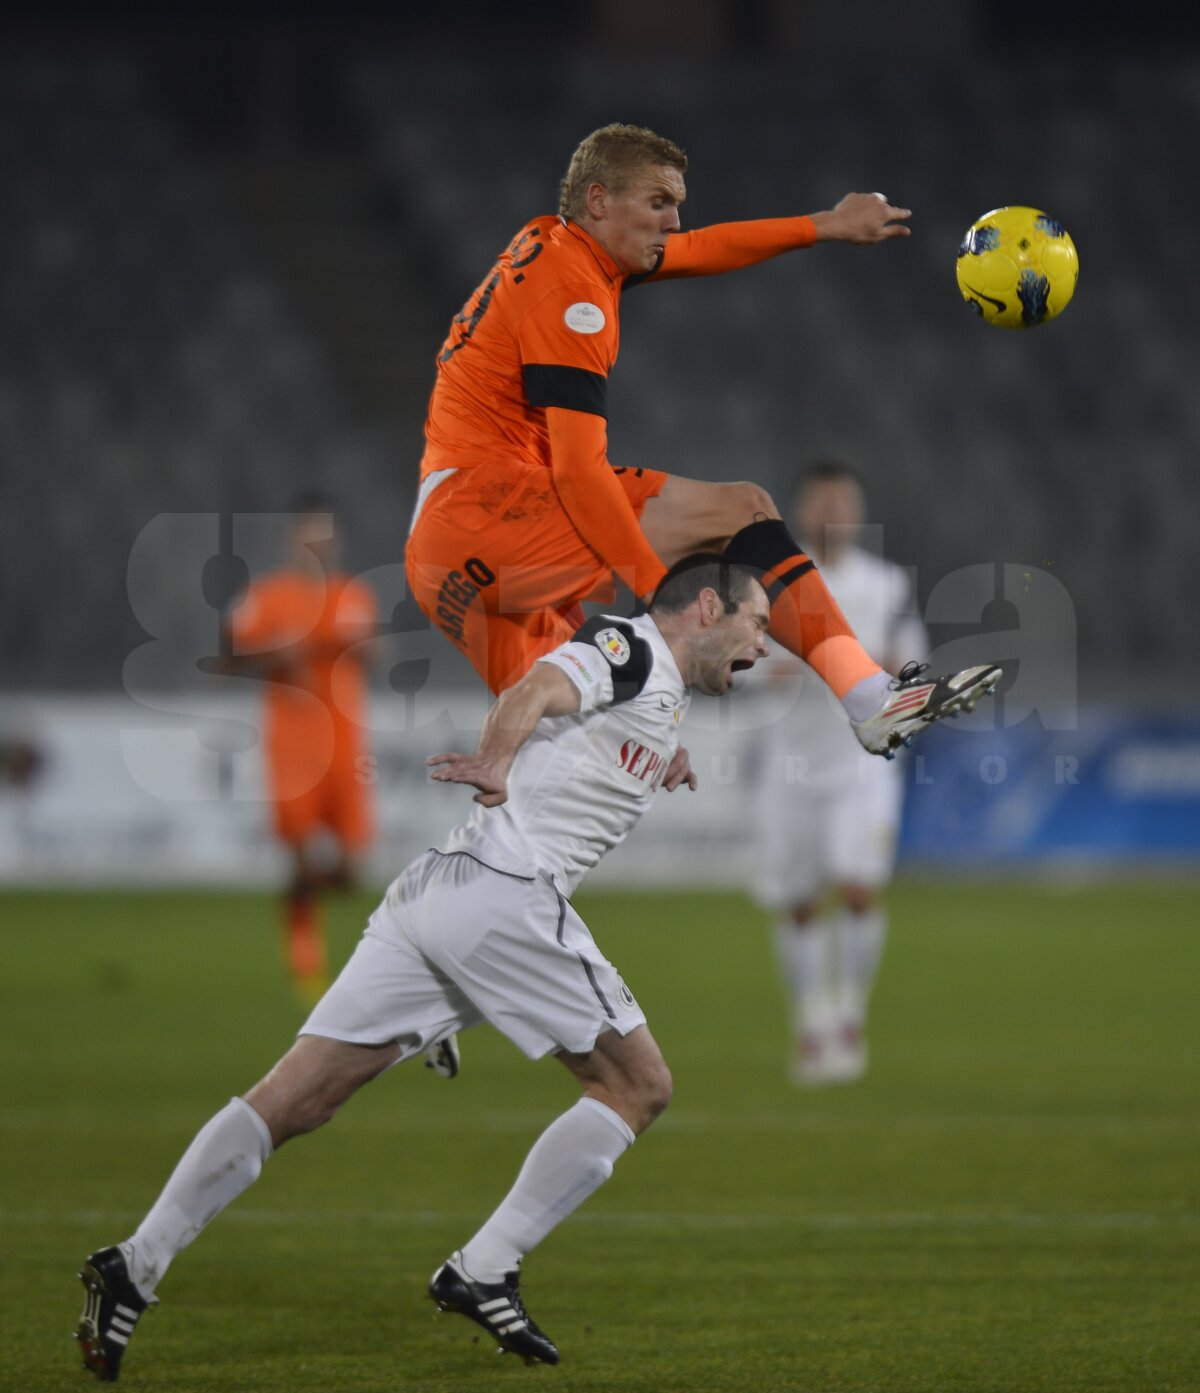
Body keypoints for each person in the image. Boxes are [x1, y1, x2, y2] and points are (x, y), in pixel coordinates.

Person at [74, 554, 776, 1380]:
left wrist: (664, 754)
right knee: (638, 1085)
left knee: (295, 1097)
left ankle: (133, 1263)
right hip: (505, 898)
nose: (764, 646)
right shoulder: (631, 652)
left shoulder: (651, 688)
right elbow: (537, 689)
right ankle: (484, 1266)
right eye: (757, 624)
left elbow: (590, 726)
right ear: (705, 606)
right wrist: (496, 758)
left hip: (438, 895)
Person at [405, 121, 998, 752]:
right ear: (600, 201)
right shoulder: (573, 297)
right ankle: (870, 696)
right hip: (481, 517)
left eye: (678, 205)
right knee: (744, 510)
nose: (675, 223)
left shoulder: (556, 242)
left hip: (453, 564)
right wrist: (666, 608)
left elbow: (703, 250)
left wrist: (824, 224)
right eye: (659, 203)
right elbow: (579, 474)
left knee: (592, 764)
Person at [750, 461, 928, 1085]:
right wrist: (828, 659)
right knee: (800, 903)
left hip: (862, 767)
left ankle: (849, 1014)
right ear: (802, 510)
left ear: (857, 511)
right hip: (791, 767)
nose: (833, 513)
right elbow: (752, 666)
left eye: (843, 502)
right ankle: (810, 1021)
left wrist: (857, 668)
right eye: (822, 501)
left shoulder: (887, 585)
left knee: (857, 887)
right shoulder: (773, 583)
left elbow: (912, 673)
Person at [223, 493, 377, 1001]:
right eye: (309, 532)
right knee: (303, 856)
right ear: (293, 538)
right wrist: (275, 653)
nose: (318, 542)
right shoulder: (267, 597)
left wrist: (363, 648)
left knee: (352, 870)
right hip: (291, 747)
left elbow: (376, 652)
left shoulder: (353, 595)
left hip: (345, 745)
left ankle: (309, 911)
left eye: (325, 533)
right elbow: (228, 655)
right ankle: (306, 963)